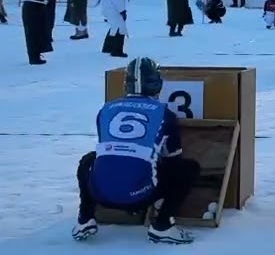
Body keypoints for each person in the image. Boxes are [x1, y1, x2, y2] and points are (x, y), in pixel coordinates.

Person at [72, 57, 200, 245]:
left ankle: (85, 218)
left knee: (89, 160)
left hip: (100, 194)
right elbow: (174, 159)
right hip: (140, 196)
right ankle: (163, 225)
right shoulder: (165, 113)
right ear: (157, 84)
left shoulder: (106, 109)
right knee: (187, 169)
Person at [21, 0, 60, 65]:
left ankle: (36, 55)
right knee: (33, 33)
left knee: (38, 31)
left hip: (34, 6)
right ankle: (34, 57)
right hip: (33, 7)